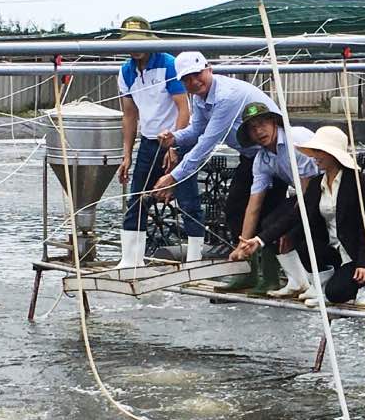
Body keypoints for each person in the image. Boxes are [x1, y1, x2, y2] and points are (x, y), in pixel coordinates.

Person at [152, 51, 286, 289]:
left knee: (269, 215)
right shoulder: (200, 99)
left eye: (197, 75)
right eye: (187, 79)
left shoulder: (226, 96)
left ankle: (271, 278)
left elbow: (207, 144)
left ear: (209, 69)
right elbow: (195, 132)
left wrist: (173, 176)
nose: (194, 82)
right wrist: (174, 139)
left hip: (275, 154)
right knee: (234, 208)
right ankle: (247, 271)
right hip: (251, 156)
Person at [235, 126, 365, 307]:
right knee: (299, 236)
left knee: (336, 293)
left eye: (319, 152)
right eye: (314, 151)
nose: (315, 156)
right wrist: (259, 240)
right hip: (333, 249)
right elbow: (295, 216)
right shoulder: (316, 184)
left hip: (357, 253)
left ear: (333, 154)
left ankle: (363, 287)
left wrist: (364, 264)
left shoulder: (356, 181)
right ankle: (320, 286)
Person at [114, 16, 202, 268]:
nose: (135, 47)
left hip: (177, 139)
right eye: (129, 43)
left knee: (187, 200)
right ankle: (131, 259)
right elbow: (130, 114)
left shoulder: (168, 64)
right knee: (137, 199)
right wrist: (127, 154)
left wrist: (175, 144)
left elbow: (183, 107)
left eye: (140, 41)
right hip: (149, 140)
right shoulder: (125, 71)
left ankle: (194, 262)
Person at [227, 102, 319, 297]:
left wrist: (290, 228)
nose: (259, 131)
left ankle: (318, 284)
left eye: (262, 124)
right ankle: (297, 282)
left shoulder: (296, 140)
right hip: (306, 194)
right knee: (269, 223)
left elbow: (308, 192)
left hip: (327, 189)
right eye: (253, 128)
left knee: (288, 228)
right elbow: (254, 204)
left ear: (273, 122)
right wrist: (242, 244)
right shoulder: (262, 159)